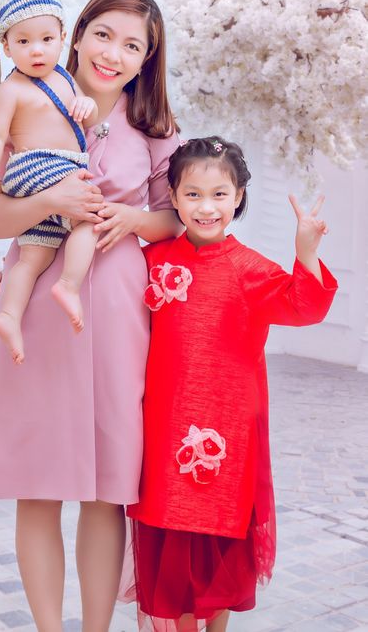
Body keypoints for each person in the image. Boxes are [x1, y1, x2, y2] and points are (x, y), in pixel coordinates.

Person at [0, 0, 181, 632]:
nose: (113, 54)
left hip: (118, 318)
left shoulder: (154, 129)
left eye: (132, 45)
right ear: (78, 33)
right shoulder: (28, 98)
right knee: (37, 486)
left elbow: (175, 218)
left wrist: (132, 217)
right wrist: (49, 203)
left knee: (107, 491)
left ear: (147, 59)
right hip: (34, 308)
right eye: (103, 35)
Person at [126, 137, 338, 632]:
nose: (206, 207)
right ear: (173, 197)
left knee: (219, 550)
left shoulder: (250, 269)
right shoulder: (153, 260)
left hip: (224, 437)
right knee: (169, 549)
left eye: (219, 194)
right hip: (163, 431)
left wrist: (305, 251)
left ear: (239, 196)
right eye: (193, 194)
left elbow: (306, 306)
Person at [0, 0, 100, 363]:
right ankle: (69, 285)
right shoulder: (10, 90)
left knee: (34, 257)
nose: (36, 50)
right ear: (6, 46)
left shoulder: (65, 78)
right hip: (41, 165)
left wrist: (87, 103)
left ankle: (10, 316)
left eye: (46, 39)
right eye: (23, 41)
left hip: (37, 178)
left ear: (63, 38)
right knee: (89, 219)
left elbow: (85, 115)